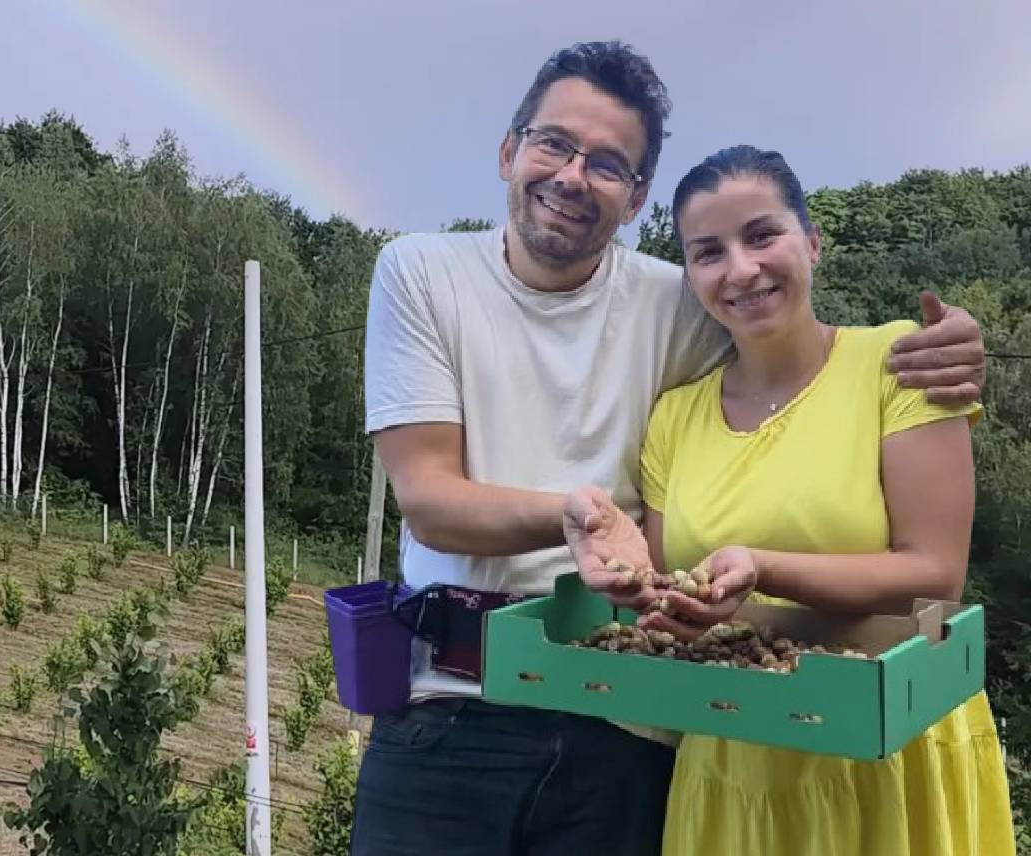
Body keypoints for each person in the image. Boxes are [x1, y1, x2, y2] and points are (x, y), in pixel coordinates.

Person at [353, 40, 990, 855]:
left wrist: (957, 346)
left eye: (607, 163)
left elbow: (806, 357)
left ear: (636, 196)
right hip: (449, 706)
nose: (572, 176)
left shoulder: (677, 300)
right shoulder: (421, 272)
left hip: (631, 718)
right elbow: (429, 500)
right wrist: (577, 514)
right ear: (510, 150)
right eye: (554, 144)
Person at [586, 144, 1015, 856]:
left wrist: (763, 566)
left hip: (885, 743)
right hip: (734, 750)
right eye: (708, 252)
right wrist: (632, 578)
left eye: (762, 235)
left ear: (812, 243)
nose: (741, 269)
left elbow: (935, 576)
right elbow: (671, 602)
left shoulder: (900, 363)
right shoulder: (675, 417)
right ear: (690, 275)